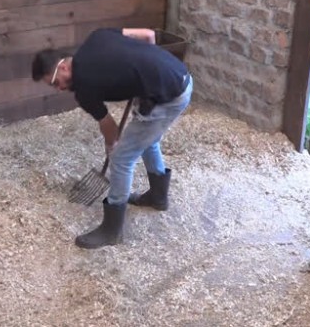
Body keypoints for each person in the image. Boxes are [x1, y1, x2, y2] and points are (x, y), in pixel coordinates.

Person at [30, 27, 193, 249]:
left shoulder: (84, 89)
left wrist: (112, 147)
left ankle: (111, 230)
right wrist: (147, 74)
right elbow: (148, 36)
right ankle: (158, 197)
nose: (58, 89)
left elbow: (110, 129)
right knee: (147, 138)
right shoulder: (97, 36)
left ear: (64, 67)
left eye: (54, 82)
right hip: (180, 75)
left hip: (171, 96)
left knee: (122, 158)